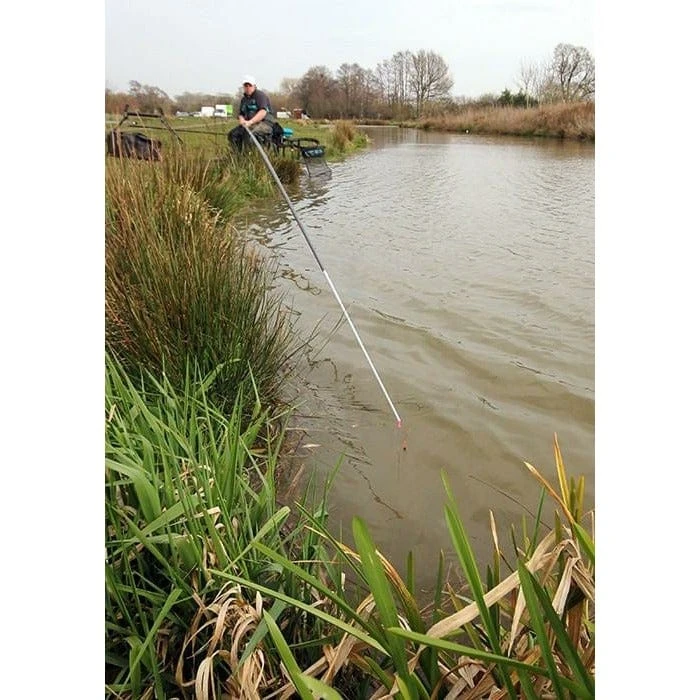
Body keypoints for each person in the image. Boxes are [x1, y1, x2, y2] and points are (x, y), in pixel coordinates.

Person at [227, 75, 275, 151]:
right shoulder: (244, 99)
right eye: (246, 85)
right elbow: (241, 114)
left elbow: (262, 112)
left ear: (254, 86)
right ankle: (238, 155)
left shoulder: (260, 96)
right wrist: (242, 120)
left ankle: (253, 155)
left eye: (250, 85)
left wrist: (250, 122)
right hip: (249, 124)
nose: (248, 87)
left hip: (265, 123)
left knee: (251, 135)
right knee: (233, 134)